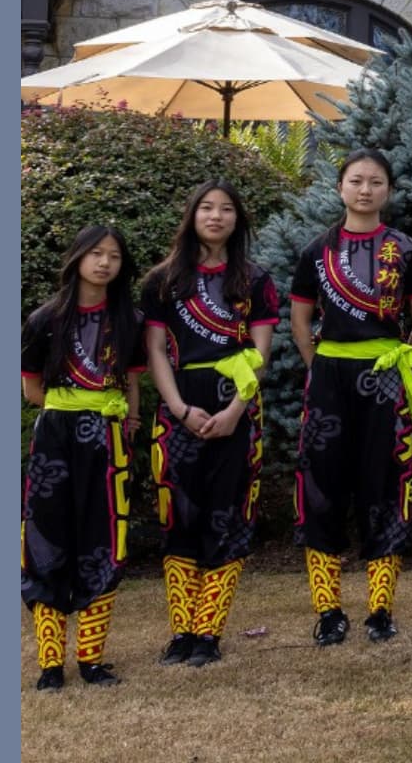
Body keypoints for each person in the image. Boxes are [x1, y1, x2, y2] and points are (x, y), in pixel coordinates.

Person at [289, 149, 412, 647]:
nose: (365, 189)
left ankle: (380, 608)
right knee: (321, 487)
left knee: (386, 484)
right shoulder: (316, 250)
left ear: (387, 190)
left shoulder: (406, 248)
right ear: (340, 188)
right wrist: (320, 366)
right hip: (330, 376)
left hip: (386, 379)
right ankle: (328, 610)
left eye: (375, 181)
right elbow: (300, 319)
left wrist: (402, 366)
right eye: (356, 180)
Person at [140, 181, 279, 668]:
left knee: (229, 512)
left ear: (238, 220)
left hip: (236, 407)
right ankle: (181, 631)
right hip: (180, 408)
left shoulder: (255, 281)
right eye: (207, 207)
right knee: (178, 516)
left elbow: (260, 354)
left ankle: (209, 632)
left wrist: (236, 410)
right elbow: (155, 351)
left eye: (226, 209)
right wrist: (178, 408)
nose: (216, 216)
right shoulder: (163, 281)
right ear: (191, 214)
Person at [22, 225, 145, 690]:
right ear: (77, 258)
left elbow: (132, 383)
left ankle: (92, 659)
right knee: (46, 540)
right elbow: (33, 388)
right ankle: (50, 664)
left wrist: (125, 421)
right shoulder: (43, 320)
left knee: (103, 539)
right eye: (95, 253)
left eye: (113, 255)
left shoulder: (128, 320)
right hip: (55, 438)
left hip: (109, 440)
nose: (104, 263)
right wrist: (73, 410)